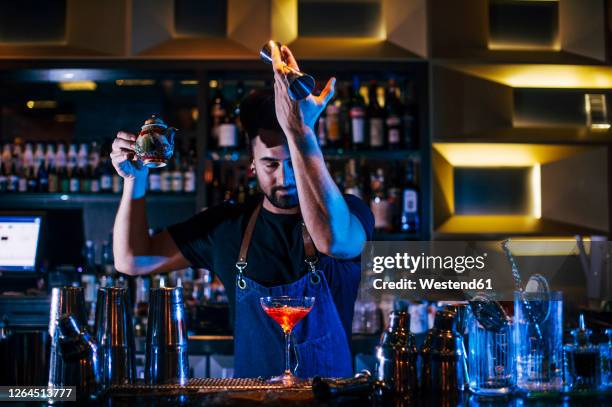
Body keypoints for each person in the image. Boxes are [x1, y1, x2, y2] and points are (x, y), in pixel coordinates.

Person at [110, 42, 374, 378]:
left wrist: (301, 132)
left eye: (294, 161)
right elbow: (131, 259)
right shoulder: (227, 225)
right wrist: (135, 180)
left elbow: (333, 241)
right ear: (252, 164)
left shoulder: (349, 212)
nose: (284, 176)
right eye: (270, 164)